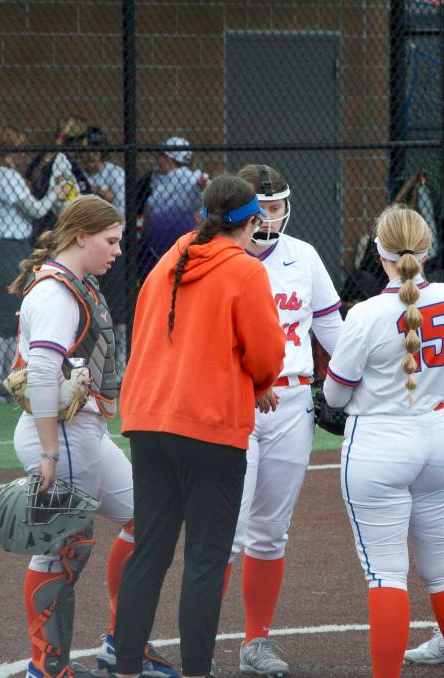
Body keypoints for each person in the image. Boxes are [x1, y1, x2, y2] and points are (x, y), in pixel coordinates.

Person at [113, 175, 286, 678]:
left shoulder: (173, 256)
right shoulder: (245, 271)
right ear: (252, 221)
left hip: (147, 418)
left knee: (150, 549)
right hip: (209, 424)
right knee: (206, 559)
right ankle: (196, 671)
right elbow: (266, 353)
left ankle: (125, 666)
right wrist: (259, 381)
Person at [5, 195, 176, 678]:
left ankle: (123, 644)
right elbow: (41, 372)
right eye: (111, 240)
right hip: (61, 436)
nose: (118, 250)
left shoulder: (78, 283)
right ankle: (49, 666)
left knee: (148, 520)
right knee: (64, 547)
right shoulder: (57, 292)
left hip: (85, 433)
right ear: (81, 236)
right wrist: (49, 452)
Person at [323, 205, 444, 678]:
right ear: (428, 247)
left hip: (380, 438)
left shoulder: (367, 313)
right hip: (438, 432)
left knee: (386, 575)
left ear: (379, 251)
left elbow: (334, 392)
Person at [225, 164, 344, 677]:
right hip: (232, 401)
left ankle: (257, 639)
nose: (268, 216)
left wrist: (355, 384)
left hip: (292, 401)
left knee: (271, 532)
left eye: (274, 207)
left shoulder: (305, 256)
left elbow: (331, 329)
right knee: (228, 528)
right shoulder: (218, 255)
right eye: (259, 208)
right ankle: (196, 631)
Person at [0, 125, 65, 393]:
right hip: (4, 246)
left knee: (12, 314)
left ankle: (6, 378)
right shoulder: (3, 174)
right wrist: (56, 192)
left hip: (8, 245)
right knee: (5, 314)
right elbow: (36, 209)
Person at [79, 126, 129, 378]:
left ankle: (120, 362)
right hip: (87, 246)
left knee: (117, 303)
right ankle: (94, 361)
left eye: (96, 151)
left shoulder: (115, 173)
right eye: (87, 151)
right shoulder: (77, 176)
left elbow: (122, 212)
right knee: (90, 301)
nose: (91, 156)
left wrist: (101, 197)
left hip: (114, 244)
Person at [136, 137, 206, 279]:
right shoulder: (155, 178)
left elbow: (198, 186)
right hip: (164, 249)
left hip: (168, 249)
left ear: (168, 159)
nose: (158, 159)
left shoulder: (187, 179)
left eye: (162, 156)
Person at [24, 116, 93, 242]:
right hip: (56, 226)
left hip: (48, 226)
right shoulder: (62, 162)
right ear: (77, 141)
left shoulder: (48, 158)